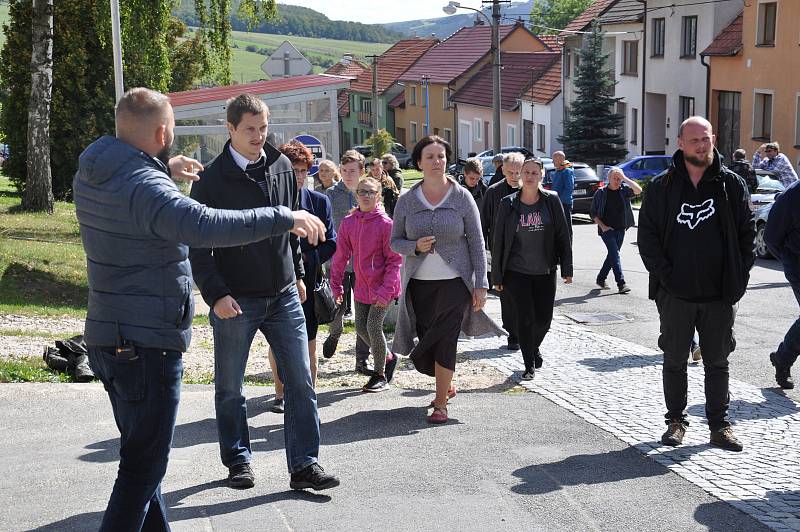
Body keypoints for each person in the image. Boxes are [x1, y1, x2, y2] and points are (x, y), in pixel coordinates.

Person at [73, 87, 331, 530]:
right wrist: (283, 216)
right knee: (142, 469)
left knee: (143, 463)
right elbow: (202, 225)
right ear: (161, 131)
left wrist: (163, 168)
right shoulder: (148, 185)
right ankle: (237, 458)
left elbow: (140, 196)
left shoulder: (97, 169)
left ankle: (304, 461)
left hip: (109, 335)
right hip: (146, 341)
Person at [189, 93, 339, 491]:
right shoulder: (210, 179)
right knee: (230, 387)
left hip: (285, 291)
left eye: (264, 128)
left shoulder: (282, 165)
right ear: (231, 129)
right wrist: (215, 294)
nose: (259, 137)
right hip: (235, 298)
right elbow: (197, 245)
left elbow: (292, 229)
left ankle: (305, 464)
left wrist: (301, 275)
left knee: (301, 381)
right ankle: (238, 460)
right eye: (250, 129)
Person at [638, 116, 755, 453]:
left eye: (706, 139)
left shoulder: (730, 184)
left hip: (719, 294)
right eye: (694, 140)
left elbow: (747, 234)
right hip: (675, 294)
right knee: (674, 359)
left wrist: (739, 278)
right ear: (680, 143)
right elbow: (647, 237)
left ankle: (719, 426)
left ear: (713, 139)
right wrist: (666, 277)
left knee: (718, 362)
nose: (701, 145)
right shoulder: (662, 186)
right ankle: (676, 422)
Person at [391, 135, 504, 424]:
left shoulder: (461, 197)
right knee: (427, 343)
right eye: (430, 157)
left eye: (441, 156)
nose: (436, 162)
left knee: (446, 340)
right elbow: (394, 242)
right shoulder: (406, 200)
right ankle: (446, 380)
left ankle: (440, 404)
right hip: (419, 285)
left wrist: (481, 284)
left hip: (455, 283)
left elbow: (478, 242)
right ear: (418, 162)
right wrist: (415, 247)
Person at [266, 140, 337, 412]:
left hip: (308, 284)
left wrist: (308, 259)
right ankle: (281, 393)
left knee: (308, 343)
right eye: (293, 170)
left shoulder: (319, 202)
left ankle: (309, 396)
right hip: (275, 282)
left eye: (303, 170)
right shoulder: (270, 203)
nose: (298, 176)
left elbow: (331, 242)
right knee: (277, 341)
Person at [491, 157, 573, 380]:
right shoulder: (507, 203)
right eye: (525, 172)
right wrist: (496, 275)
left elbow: (563, 236)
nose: (528, 176)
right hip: (516, 272)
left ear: (542, 176)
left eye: (534, 173)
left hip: (545, 270)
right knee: (524, 318)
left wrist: (567, 267)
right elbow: (498, 242)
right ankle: (528, 363)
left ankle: (533, 347)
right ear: (519, 175)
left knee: (544, 319)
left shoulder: (552, 201)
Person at [330, 176, 402, 392]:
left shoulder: (386, 224)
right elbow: (340, 256)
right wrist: (336, 286)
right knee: (361, 328)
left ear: (378, 195)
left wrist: (385, 291)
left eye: (371, 192)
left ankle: (380, 375)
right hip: (362, 288)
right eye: (363, 191)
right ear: (356, 195)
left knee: (373, 326)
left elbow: (395, 261)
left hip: (384, 288)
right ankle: (388, 357)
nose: (367, 195)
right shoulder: (349, 223)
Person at [323, 150, 373, 373]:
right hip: (338, 262)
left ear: (362, 172)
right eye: (344, 171)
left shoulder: (370, 193)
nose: (348, 175)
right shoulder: (330, 195)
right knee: (337, 308)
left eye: (352, 171)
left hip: (365, 264)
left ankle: (362, 358)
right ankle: (335, 333)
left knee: (363, 313)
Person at [481, 152, 524, 351]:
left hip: (526, 251)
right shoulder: (494, 192)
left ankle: (525, 331)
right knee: (506, 295)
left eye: (518, 172)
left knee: (526, 295)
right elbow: (485, 223)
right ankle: (512, 334)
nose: (515, 176)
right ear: (503, 171)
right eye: (511, 172)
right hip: (501, 251)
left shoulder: (532, 190)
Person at [765, 178, 800, 389]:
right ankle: (783, 360)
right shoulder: (794, 194)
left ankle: (781, 358)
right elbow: (771, 237)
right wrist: (790, 261)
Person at [590, 167, 642, 294]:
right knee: (615, 254)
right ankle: (621, 283)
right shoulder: (601, 193)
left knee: (612, 255)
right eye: (615, 178)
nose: (617, 181)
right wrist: (603, 227)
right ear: (608, 178)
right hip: (606, 230)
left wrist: (624, 178)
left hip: (621, 229)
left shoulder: (624, 191)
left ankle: (601, 278)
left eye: (619, 179)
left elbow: (639, 190)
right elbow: (593, 213)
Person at [550, 151, 575, 238]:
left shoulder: (567, 171)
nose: (552, 162)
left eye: (554, 160)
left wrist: (559, 201)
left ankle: (568, 249)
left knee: (566, 229)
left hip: (564, 204)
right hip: (557, 203)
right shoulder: (558, 171)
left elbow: (569, 189)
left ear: (560, 160)